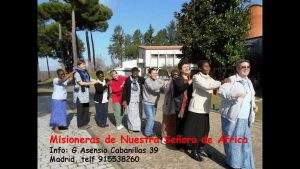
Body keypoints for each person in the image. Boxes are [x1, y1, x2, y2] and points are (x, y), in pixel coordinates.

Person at [218, 59, 258, 169]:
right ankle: (234, 165)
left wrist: (254, 105)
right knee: (233, 142)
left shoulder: (249, 81)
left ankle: (246, 165)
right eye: (243, 67)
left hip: (246, 118)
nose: (246, 68)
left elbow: (252, 96)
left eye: (247, 67)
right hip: (234, 117)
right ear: (237, 69)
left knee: (245, 143)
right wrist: (234, 94)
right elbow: (221, 92)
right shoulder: (231, 79)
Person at [183, 60, 221, 161]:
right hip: (196, 109)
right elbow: (207, 86)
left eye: (208, 66)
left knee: (204, 131)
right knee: (195, 131)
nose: (208, 67)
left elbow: (214, 86)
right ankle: (193, 150)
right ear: (200, 68)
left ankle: (200, 148)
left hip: (205, 109)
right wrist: (222, 82)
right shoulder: (196, 77)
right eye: (205, 66)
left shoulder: (209, 77)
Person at [73, 59, 98, 129]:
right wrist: (91, 83)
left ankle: (85, 123)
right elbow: (81, 83)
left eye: (84, 64)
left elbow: (90, 79)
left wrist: (97, 81)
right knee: (81, 110)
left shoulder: (85, 72)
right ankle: (80, 125)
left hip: (86, 95)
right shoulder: (77, 73)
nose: (84, 65)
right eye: (82, 64)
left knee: (86, 109)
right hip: (80, 95)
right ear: (79, 65)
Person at [173, 59, 193, 143]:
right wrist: (189, 82)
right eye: (184, 67)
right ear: (180, 69)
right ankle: (178, 143)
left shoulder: (190, 77)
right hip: (180, 105)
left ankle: (184, 142)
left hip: (190, 105)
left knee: (187, 125)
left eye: (188, 66)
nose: (187, 68)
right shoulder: (178, 78)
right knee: (179, 125)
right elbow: (180, 88)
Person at [50, 69, 75, 134]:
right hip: (57, 99)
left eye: (63, 74)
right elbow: (62, 80)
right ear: (58, 75)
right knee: (57, 113)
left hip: (63, 99)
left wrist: (73, 72)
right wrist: (71, 72)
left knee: (62, 113)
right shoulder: (55, 80)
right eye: (61, 74)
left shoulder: (64, 80)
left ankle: (60, 126)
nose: (63, 75)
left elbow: (71, 79)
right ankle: (55, 128)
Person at [143, 68, 165, 137]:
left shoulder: (157, 80)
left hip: (154, 103)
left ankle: (150, 130)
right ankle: (147, 132)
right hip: (147, 102)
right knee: (150, 118)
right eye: (153, 73)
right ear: (149, 74)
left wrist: (162, 83)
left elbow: (162, 87)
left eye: (156, 73)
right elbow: (153, 88)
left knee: (152, 118)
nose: (155, 74)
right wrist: (162, 83)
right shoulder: (147, 80)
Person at [122, 67, 145, 133]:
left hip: (139, 99)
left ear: (138, 72)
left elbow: (147, 84)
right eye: (134, 72)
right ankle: (131, 128)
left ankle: (138, 127)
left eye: (137, 72)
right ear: (131, 72)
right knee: (131, 113)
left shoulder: (141, 79)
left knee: (138, 113)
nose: (135, 73)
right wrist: (124, 100)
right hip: (131, 99)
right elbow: (124, 91)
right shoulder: (128, 80)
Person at [161, 69, 179, 144]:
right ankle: (164, 137)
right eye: (174, 75)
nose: (175, 76)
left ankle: (171, 137)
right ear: (171, 75)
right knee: (166, 122)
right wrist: (171, 80)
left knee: (173, 123)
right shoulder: (167, 82)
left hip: (176, 106)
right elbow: (166, 89)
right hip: (167, 105)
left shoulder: (179, 82)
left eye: (177, 75)